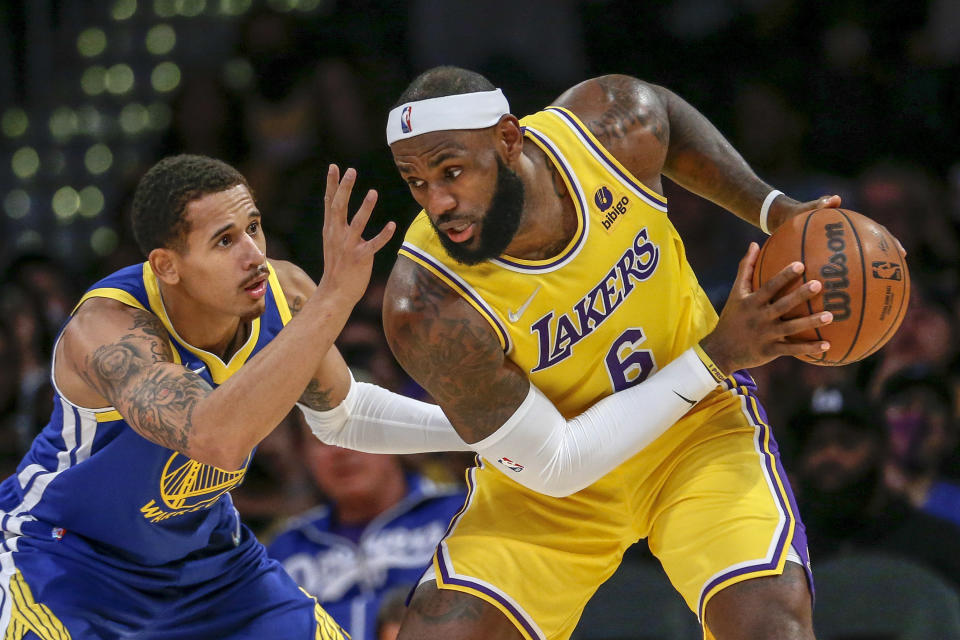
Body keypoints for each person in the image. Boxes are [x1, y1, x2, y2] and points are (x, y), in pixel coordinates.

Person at [378, 66, 852, 640]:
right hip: (551, 484)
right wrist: (717, 354)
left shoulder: (606, 129)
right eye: (416, 182)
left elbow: (668, 119)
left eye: (452, 171)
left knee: (770, 623)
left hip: (696, 430)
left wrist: (773, 209)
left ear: (508, 139)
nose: (439, 202)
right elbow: (554, 465)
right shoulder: (426, 305)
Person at [0, 153, 409, 638]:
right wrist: (336, 298)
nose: (253, 254)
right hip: (72, 561)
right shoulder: (106, 330)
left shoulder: (284, 294)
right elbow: (216, 439)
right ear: (167, 266)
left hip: (208, 566)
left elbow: (348, 412)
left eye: (253, 227)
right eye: (224, 241)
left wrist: (491, 432)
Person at [267, 417, 467, 640]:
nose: (340, 450)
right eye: (322, 439)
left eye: (356, 432)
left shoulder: (463, 514)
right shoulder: (284, 549)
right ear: (303, 455)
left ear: (394, 436)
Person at [793, 385, 960, 589]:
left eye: (847, 442)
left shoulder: (936, 544)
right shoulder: (786, 548)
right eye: (816, 444)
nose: (830, 455)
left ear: (881, 448)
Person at [878, 365, 960, 528]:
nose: (916, 416)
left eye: (931, 406)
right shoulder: (852, 496)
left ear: (950, 435)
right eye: (903, 403)